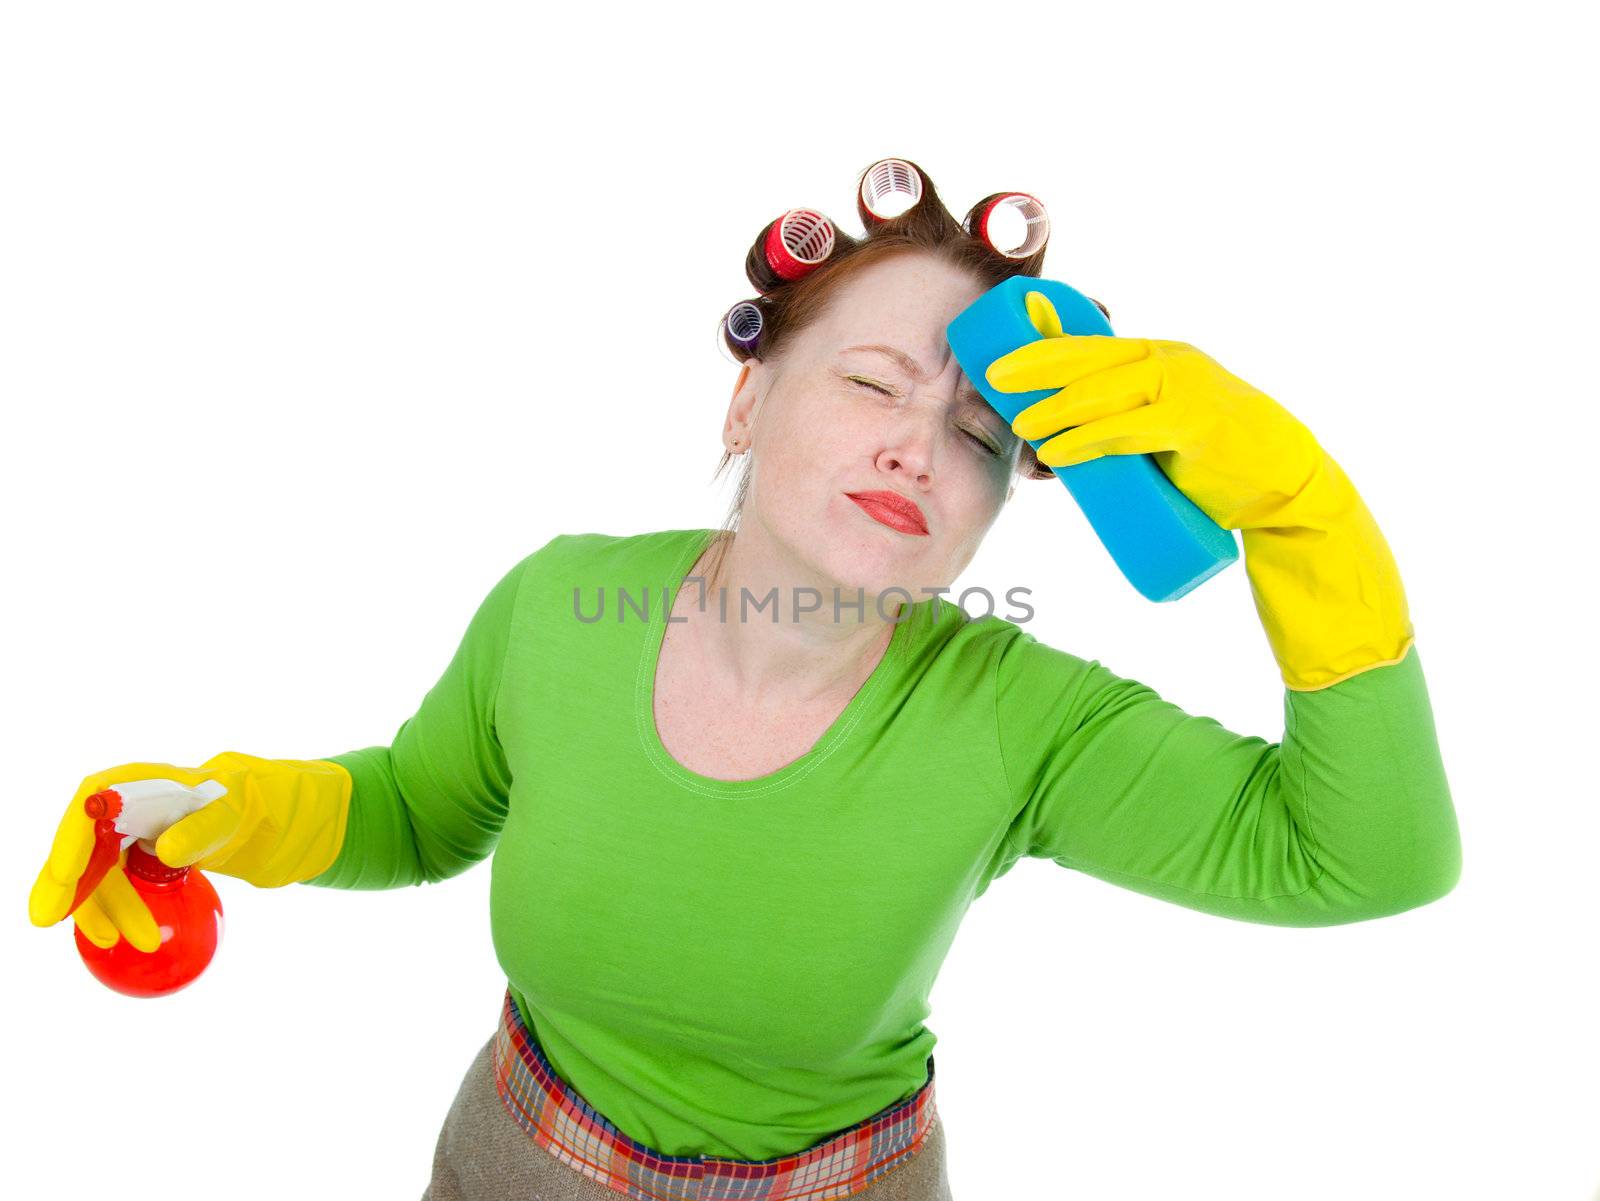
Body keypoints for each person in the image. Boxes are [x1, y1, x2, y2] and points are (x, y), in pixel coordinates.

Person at [28, 157, 1462, 1201]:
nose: (921, 445)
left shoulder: (1027, 717)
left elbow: (1366, 859)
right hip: (513, 1163)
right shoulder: (559, 603)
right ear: (747, 395)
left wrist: (1302, 517)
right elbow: (420, 807)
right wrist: (227, 810)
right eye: (870, 381)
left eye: (983, 435)